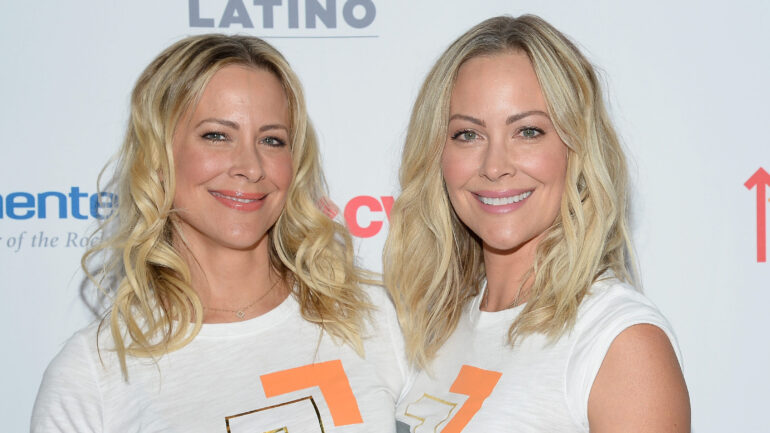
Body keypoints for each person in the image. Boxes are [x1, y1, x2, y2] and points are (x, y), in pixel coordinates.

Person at [31, 34, 405, 433]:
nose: (251, 165)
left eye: (272, 140)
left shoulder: (375, 318)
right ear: (159, 157)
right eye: (216, 135)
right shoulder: (93, 371)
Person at [385, 15, 690, 433]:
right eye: (467, 135)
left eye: (528, 131)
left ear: (576, 149)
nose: (495, 167)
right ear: (437, 156)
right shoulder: (432, 330)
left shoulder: (619, 342)